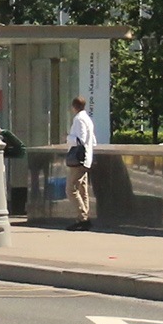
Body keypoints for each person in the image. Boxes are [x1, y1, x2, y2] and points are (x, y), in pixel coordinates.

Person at [65, 94, 97, 230]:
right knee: (82, 189)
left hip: (79, 159)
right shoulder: (88, 119)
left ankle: (82, 217)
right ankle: (84, 217)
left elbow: (80, 139)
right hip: (87, 159)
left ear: (74, 107)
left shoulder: (79, 119)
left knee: (70, 189)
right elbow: (92, 140)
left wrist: (68, 138)